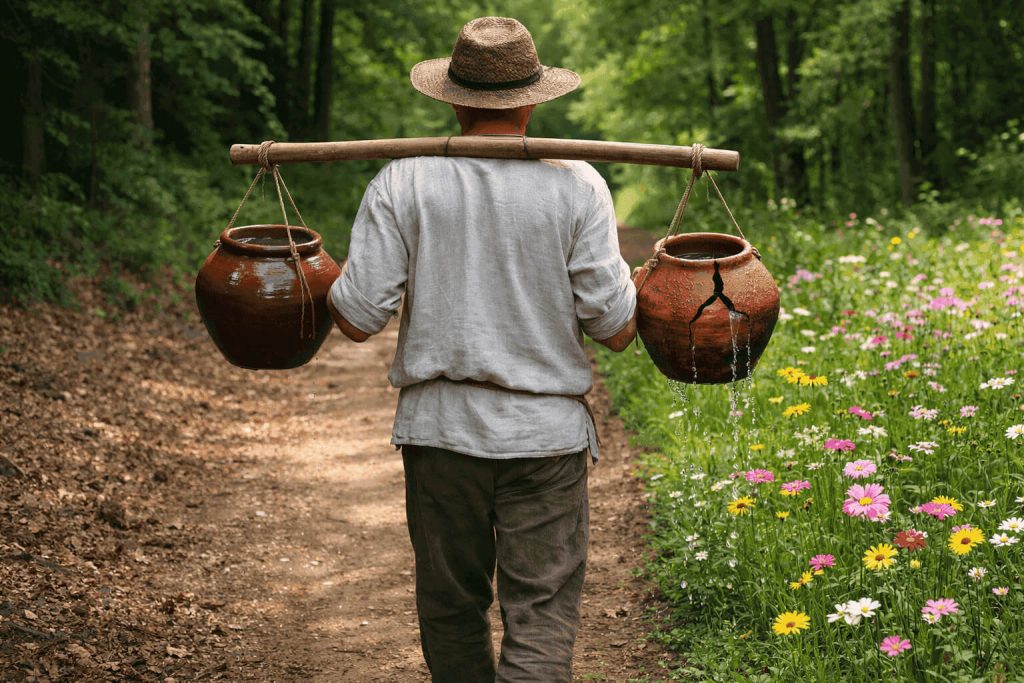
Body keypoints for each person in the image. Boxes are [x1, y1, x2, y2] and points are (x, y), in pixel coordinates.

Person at [326, 16, 637, 683]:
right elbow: (616, 327)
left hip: (441, 437)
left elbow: (355, 319)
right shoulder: (579, 186)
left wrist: (320, 267)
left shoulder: (402, 182)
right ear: (531, 100)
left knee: (450, 606)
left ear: (455, 100)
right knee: (543, 610)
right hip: (546, 441)